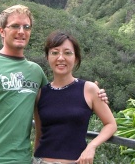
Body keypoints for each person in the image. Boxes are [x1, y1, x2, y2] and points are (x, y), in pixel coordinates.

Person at [0, 5, 108, 164]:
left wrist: (96, 96)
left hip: (24, 159)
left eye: (26, 27)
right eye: (15, 26)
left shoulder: (36, 72)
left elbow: (55, 99)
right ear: (2, 31)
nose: (21, 31)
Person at [33, 31, 117, 164]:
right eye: (55, 53)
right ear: (48, 57)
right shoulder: (40, 94)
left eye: (67, 53)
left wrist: (92, 146)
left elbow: (111, 124)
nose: (61, 58)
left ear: (76, 58)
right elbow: (39, 135)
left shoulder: (89, 89)